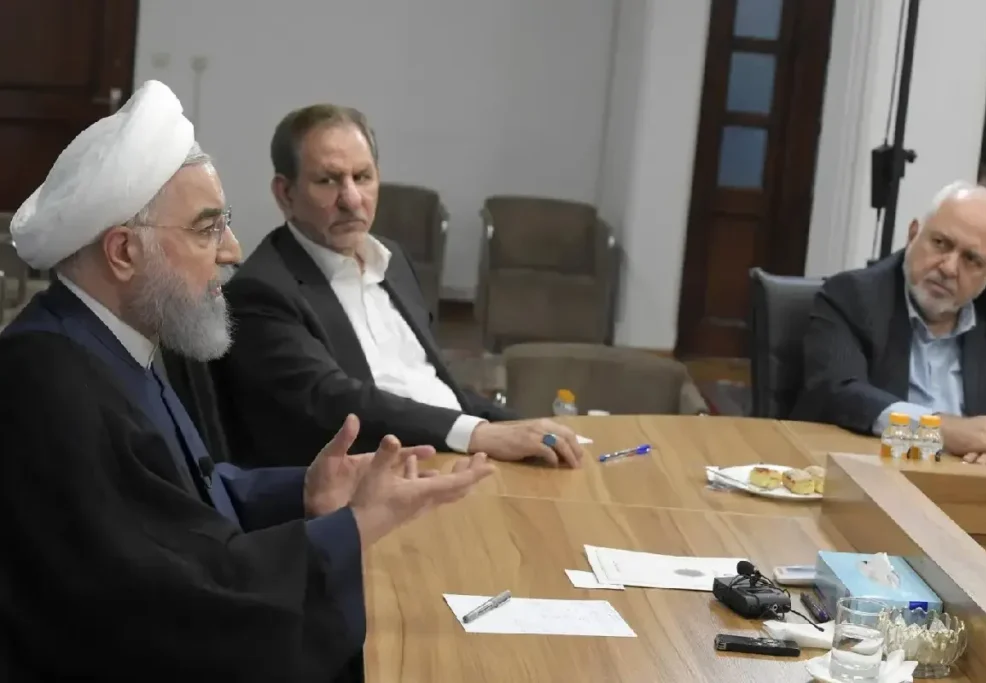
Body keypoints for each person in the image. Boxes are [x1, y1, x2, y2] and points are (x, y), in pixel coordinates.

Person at [0, 80, 494, 681]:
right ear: (124, 252)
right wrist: (355, 527)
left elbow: (189, 494)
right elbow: (168, 592)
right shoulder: (49, 383)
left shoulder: (115, 340)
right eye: (206, 228)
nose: (232, 251)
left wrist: (304, 490)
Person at [215, 104, 586, 468]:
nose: (352, 199)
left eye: (362, 177)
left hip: (450, 454)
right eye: (328, 181)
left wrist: (517, 426)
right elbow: (334, 401)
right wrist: (476, 433)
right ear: (285, 194)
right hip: (373, 477)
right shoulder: (261, 292)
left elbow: (433, 385)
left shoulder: (393, 262)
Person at [791, 180, 986, 467]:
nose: (949, 268)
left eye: (971, 259)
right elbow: (837, 393)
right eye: (941, 243)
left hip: (975, 478)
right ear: (913, 234)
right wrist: (941, 431)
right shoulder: (851, 296)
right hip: (872, 473)